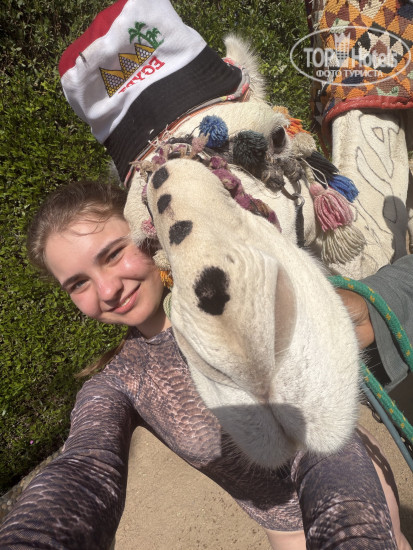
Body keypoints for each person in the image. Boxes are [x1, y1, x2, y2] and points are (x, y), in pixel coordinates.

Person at [0, 179, 410, 550]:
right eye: (78, 283)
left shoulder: (237, 295)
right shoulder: (120, 382)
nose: (107, 290)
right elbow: (85, 468)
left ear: (148, 228)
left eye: (113, 254)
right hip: (288, 533)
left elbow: (309, 427)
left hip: (356, 485)